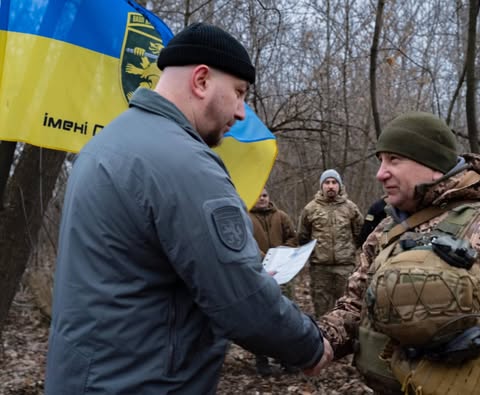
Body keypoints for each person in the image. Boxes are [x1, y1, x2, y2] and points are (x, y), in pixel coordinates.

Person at [45, 22, 332, 395]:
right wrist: (310, 346)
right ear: (200, 81)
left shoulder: (105, 144)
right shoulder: (185, 162)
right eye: (239, 92)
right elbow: (241, 299)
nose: (242, 112)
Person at [319, 112, 480, 395]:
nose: (381, 173)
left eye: (394, 160)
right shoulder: (386, 230)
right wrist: (320, 340)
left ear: (431, 163)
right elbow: (354, 307)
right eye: (381, 161)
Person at [298, 169, 364, 317]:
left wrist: (350, 250)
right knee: (322, 309)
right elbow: (303, 236)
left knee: (348, 306)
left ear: (340, 186)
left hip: (345, 267)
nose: (330, 186)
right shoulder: (310, 209)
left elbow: (360, 233)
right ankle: (325, 338)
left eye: (334, 182)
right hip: (320, 269)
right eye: (327, 182)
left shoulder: (350, 208)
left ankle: (348, 338)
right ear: (321, 186)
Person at [248, 187, 299, 376]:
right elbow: (244, 242)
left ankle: (286, 359)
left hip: (283, 273)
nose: (261, 198)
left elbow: (293, 238)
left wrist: (282, 254)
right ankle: (262, 362)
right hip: (257, 274)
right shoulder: (245, 217)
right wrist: (265, 257)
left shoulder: (282, 216)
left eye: (264, 195)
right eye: (258, 195)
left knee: (285, 316)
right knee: (259, 318)